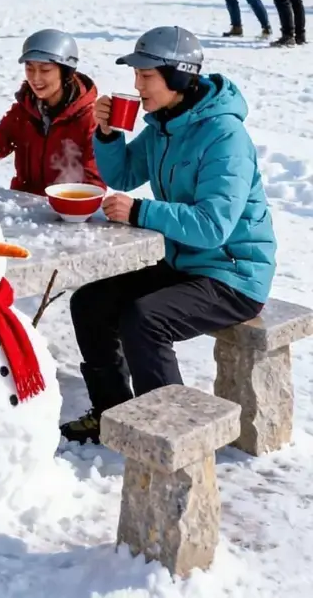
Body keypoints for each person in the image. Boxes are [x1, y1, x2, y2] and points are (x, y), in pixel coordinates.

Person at [61, 25, 276, 445]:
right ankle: (112, 413)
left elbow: (215, 226)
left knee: (145, 319)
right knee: (90, 302)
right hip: (184, 261)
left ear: (178, 76)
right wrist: (107, 135)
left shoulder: (224, 136)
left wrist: (142, 210)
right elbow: (123, 173)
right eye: (136, 76)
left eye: (146, 76)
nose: (136, 86)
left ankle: (168, 435)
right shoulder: (165, 125)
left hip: (233, 274)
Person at [0, 29, 105, 196]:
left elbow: (95, 176)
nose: (35, 78)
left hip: (66, 206)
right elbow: (6, 132)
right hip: (24, 199)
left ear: (65, 73)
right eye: (30, 68)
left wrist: (81, 203)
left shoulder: (89, 119)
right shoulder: (25, 108)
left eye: (45, 70)